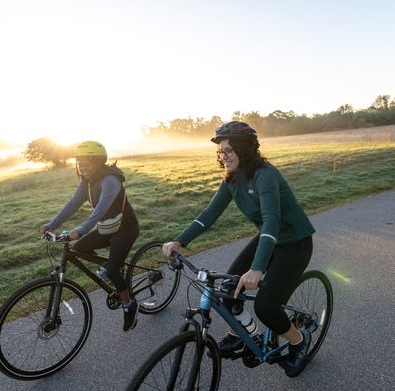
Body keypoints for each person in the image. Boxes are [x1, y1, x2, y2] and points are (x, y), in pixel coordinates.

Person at [162, 122, 316, 377]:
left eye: (230, 150)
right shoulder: (232, 179)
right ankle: (240, 335)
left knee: (266, 308)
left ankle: (299, 340)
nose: (224, 156)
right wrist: (179, 240)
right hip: (269, 238)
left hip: (294, 243)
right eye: (221, 151)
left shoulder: (265, 174)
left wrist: (257, 268)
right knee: (228, 290)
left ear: (245, 150)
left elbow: (271, 220)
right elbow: (209, 214)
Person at [40, 140, 140, 331]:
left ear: (99, 162)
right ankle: (109, 267)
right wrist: (51, 225)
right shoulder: (86, 183)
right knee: (79, 249)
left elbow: (100, 210)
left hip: (126, 228)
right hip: (107, 228)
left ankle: (129, 306)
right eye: (80, 162)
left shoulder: (111, 180)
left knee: (112, 271)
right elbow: (72, 205)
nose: (83, 167)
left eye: (87, 162)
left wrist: (82, 229)